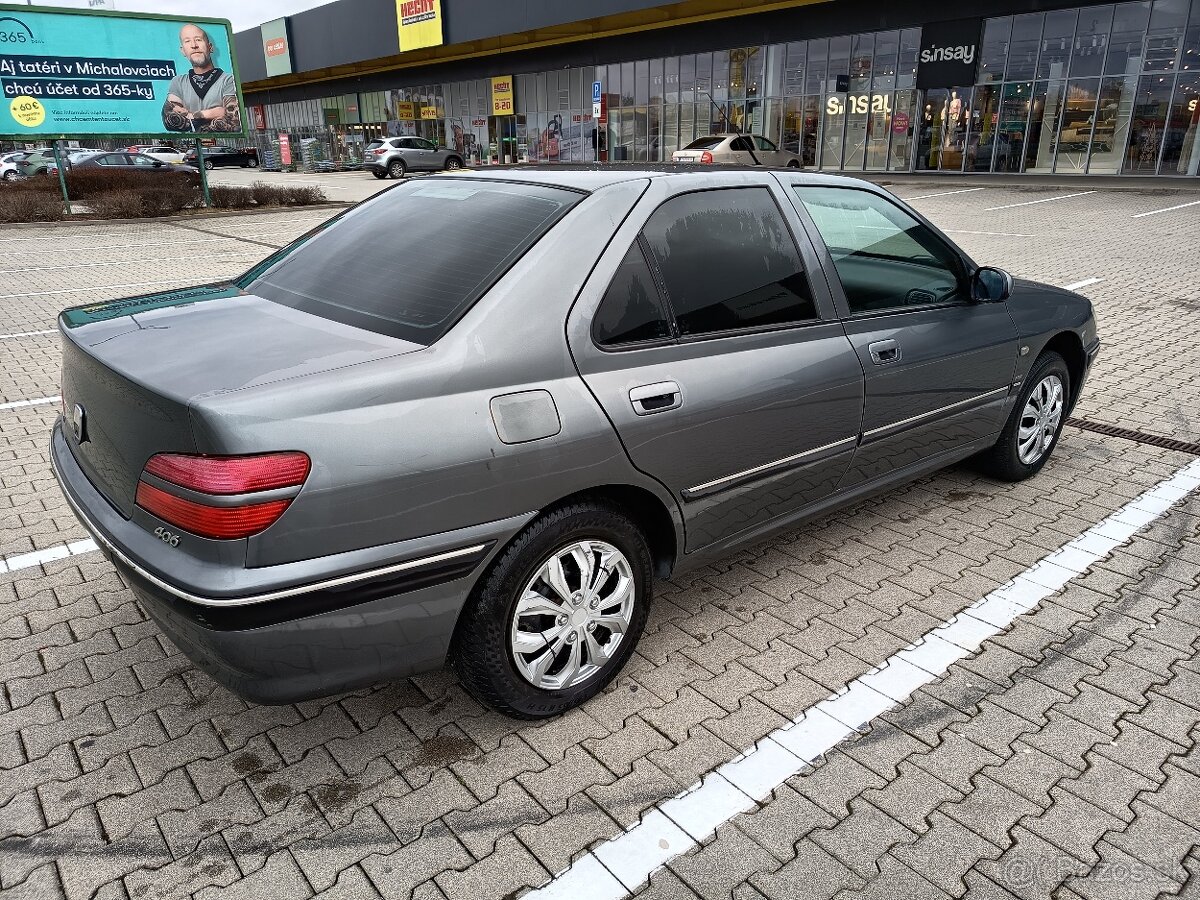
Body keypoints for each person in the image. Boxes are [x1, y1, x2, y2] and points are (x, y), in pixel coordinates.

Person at [162, 24, 241, 133]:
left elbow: (233, 121)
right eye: (187, 41)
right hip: (192, 147)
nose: (194, 45)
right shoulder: (178, 82)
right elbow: (169, 121)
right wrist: (215, 112)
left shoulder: (228, 80)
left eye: (198, 40)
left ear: (210, 47)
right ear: (183, 51)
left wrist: (194, 115)